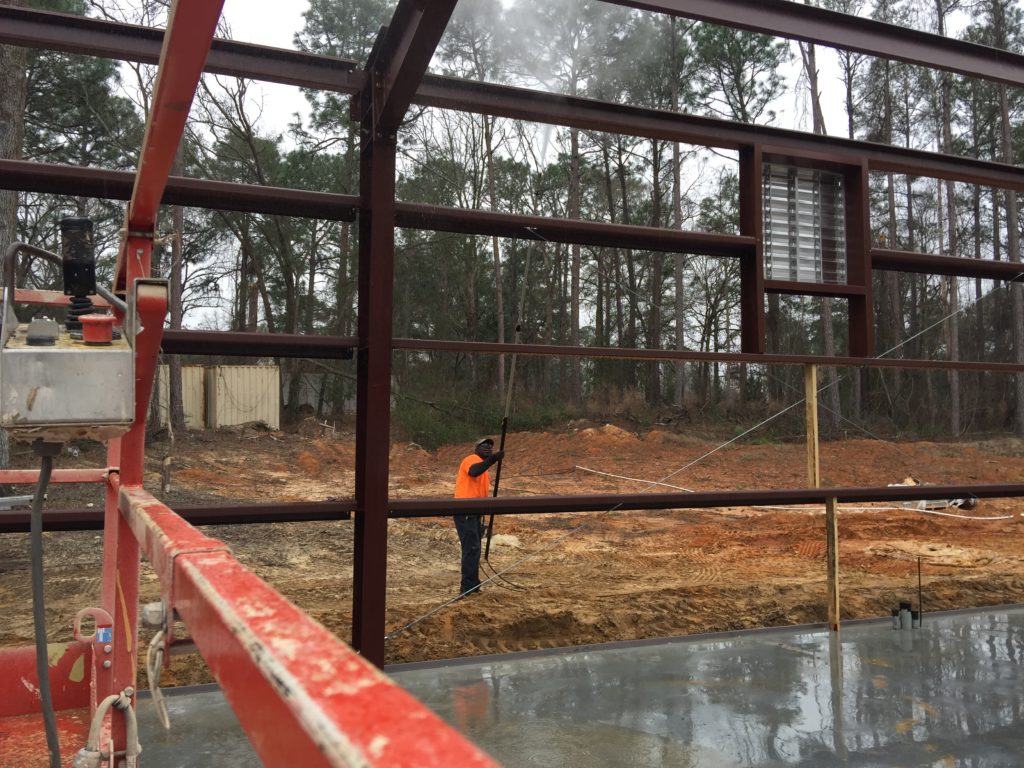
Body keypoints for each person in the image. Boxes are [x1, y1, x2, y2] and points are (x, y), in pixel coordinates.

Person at [453, 437, 504, 596]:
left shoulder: (485, 470)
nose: (488, 447)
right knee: (471, 548)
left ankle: (473, 584)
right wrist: (493, 459)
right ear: (476, 448)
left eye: (490, 446)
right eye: (484, 445)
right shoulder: (471, 459)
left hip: (475, 513)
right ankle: (467, 587)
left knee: (475, 549)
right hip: (465, 510)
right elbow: (474, 471)